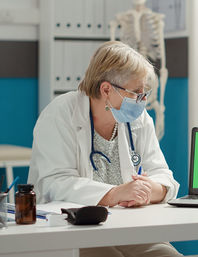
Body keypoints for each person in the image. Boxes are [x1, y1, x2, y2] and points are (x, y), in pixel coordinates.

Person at [28, 41, 182, 256]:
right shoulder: (61, 114)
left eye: (144, 93)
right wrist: (115, 193)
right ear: (107, 89)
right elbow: (53, 183)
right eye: (136, 93)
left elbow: (163, 175)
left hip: (131, 227)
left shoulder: (138, 118)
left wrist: (147, 191)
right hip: (73, 229)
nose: (143, 101)